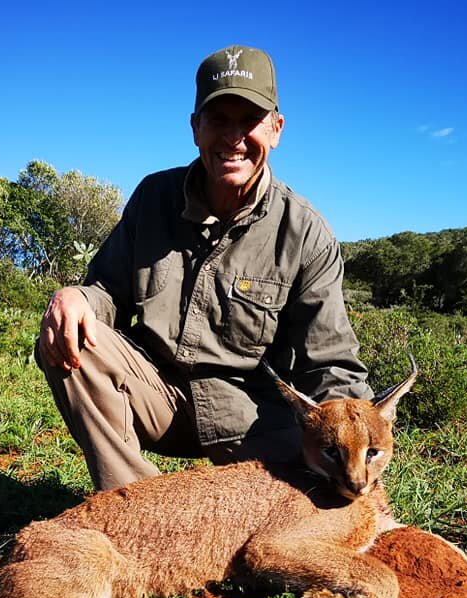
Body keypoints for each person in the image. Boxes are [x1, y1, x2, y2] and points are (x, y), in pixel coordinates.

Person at [36, 44, 371, 491]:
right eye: (218, 120)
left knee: (306, 512)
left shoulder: (305, 232)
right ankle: (136, 508)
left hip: (253, 417)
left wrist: (359, 440)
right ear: (196, 128)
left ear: (276, 129)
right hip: (157, 395)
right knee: (74, 339)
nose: (233, 138)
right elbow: (106, 291)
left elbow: (330, 362)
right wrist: (76, 295)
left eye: (249, 121)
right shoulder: (154, 197)